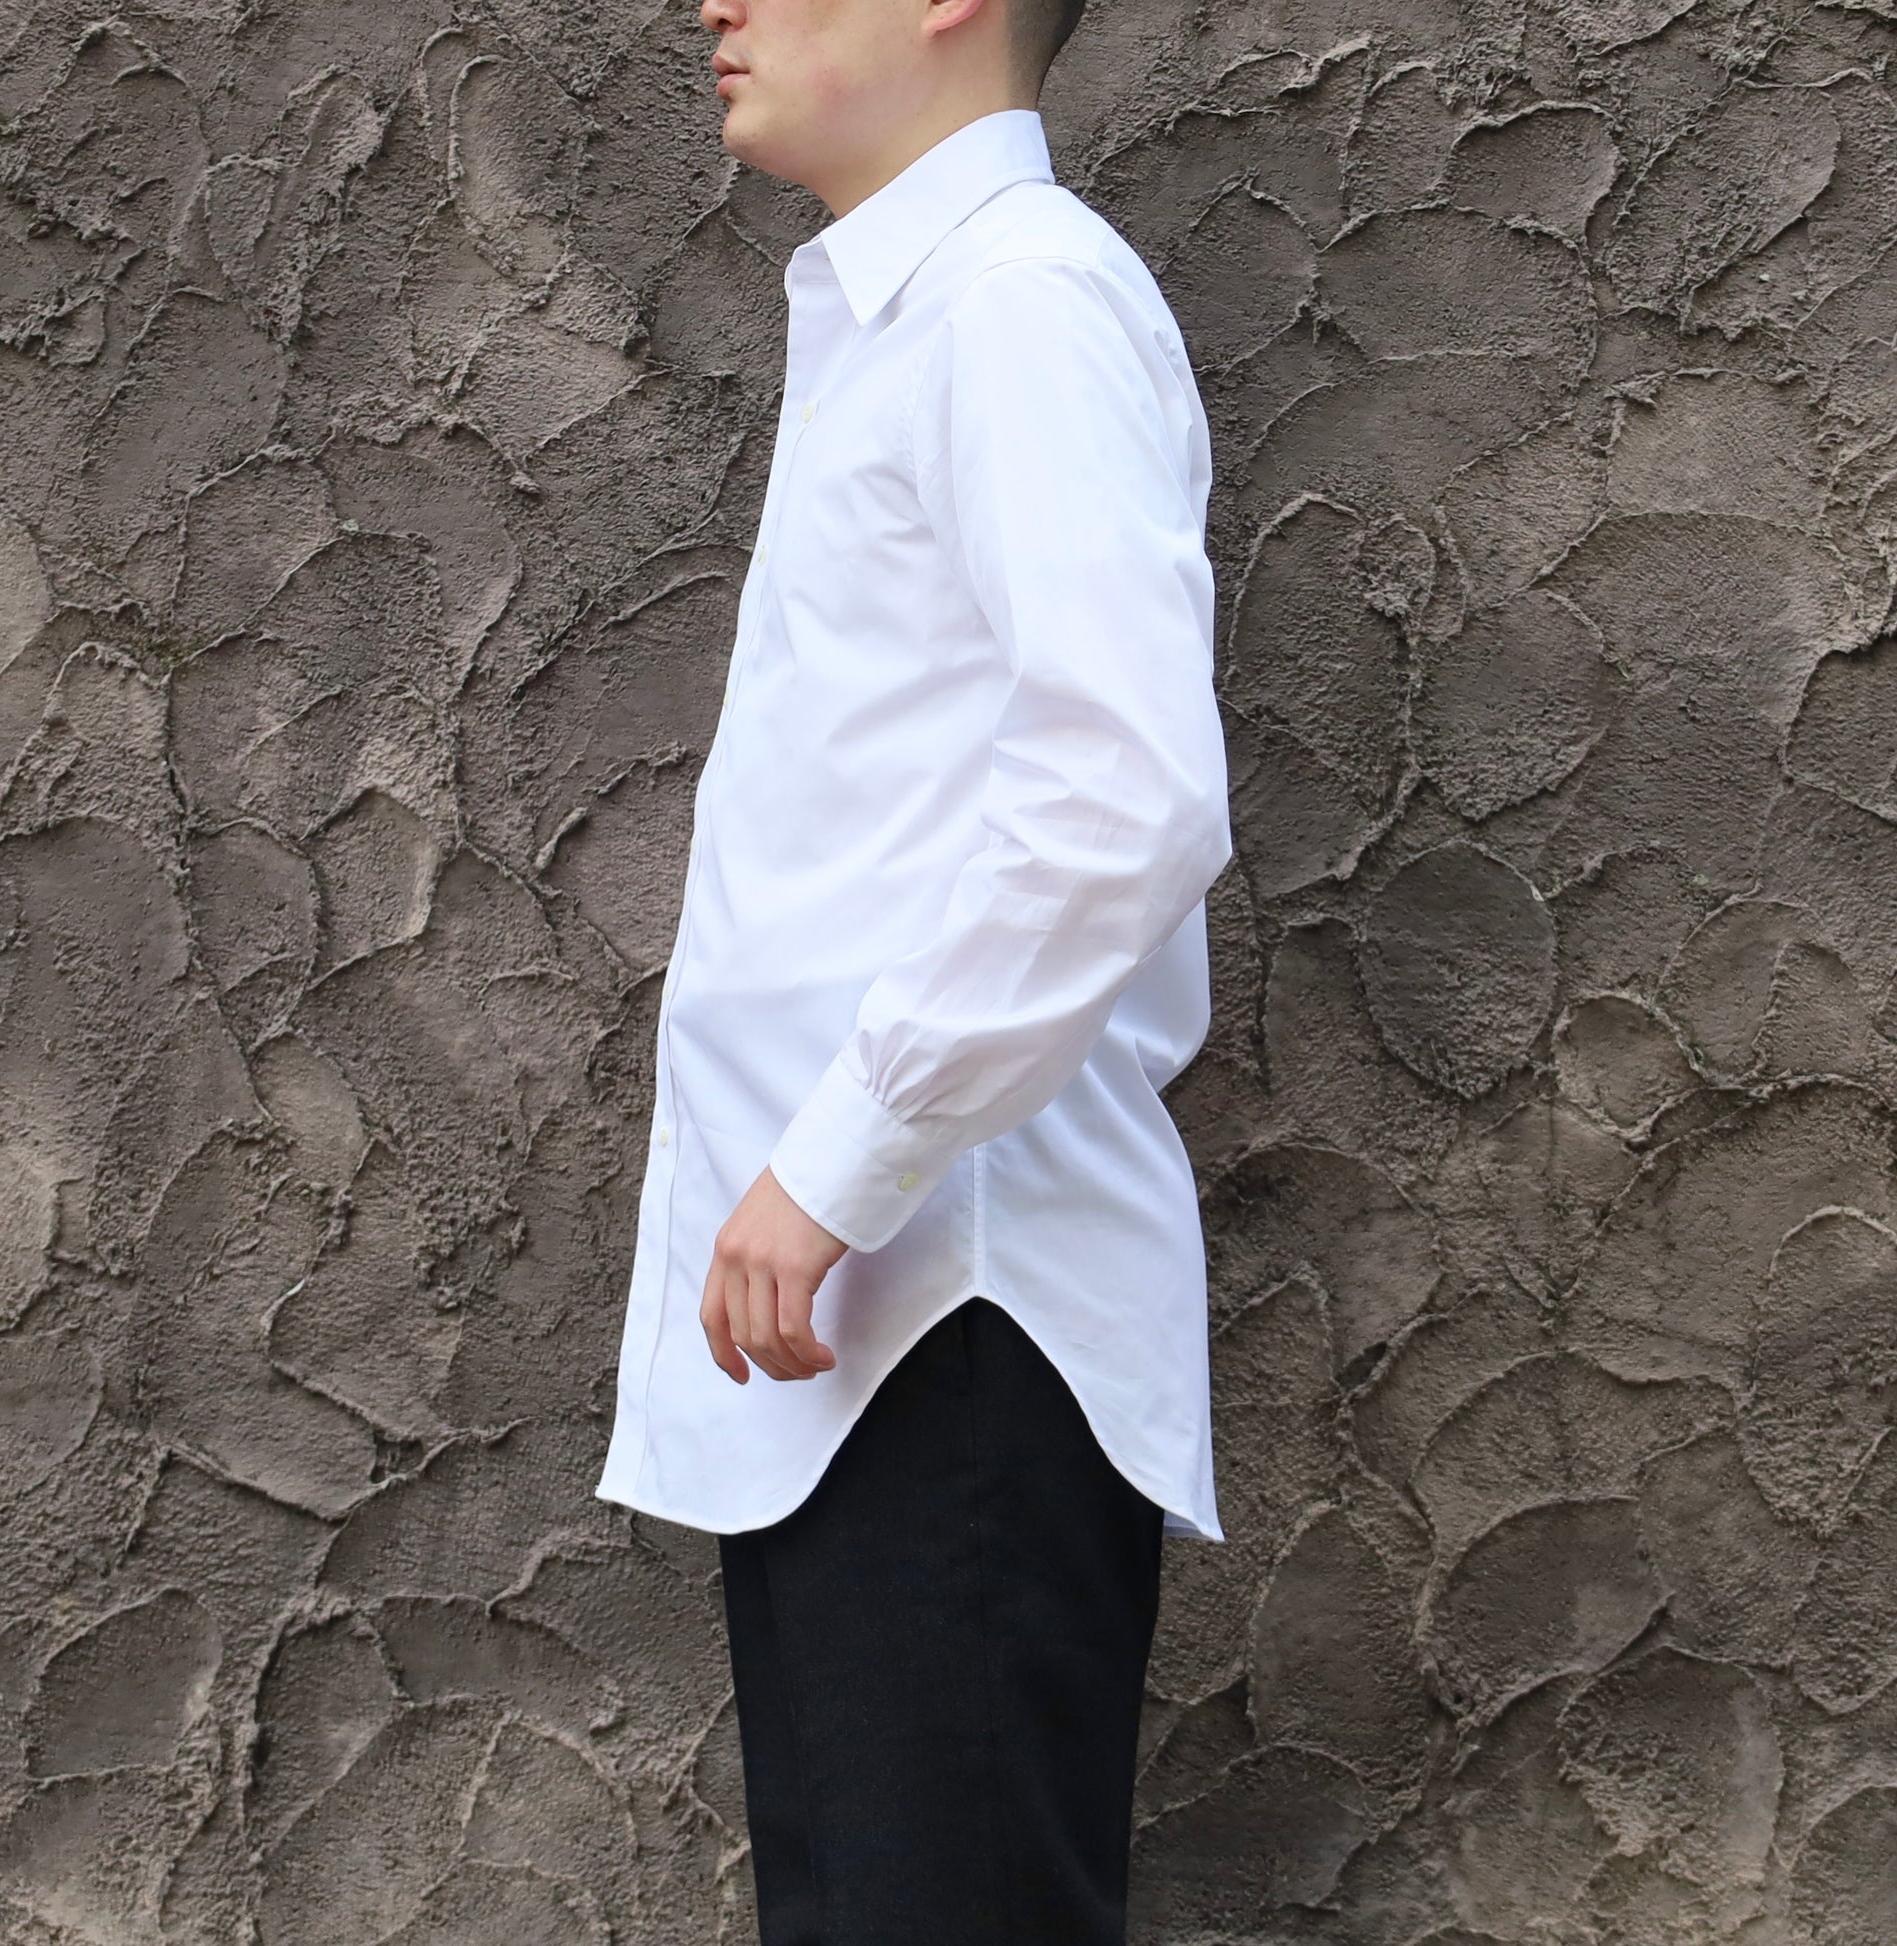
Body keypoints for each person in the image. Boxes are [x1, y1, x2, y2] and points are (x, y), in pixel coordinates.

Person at [592, 0, 1234, 1931]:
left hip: (956, 1307)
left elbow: (1122, 796)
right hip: (867, 1324)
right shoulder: (921, 311)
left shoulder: (1018, 303)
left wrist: (834, 1160)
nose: (716, 3)